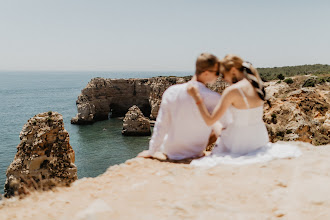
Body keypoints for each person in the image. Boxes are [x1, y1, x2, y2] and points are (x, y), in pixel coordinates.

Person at [187, 54, 301, 165]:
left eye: (223, 74)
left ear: (232, 71)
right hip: (259, 139)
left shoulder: (232, 91)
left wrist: (197, 98)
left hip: (239, 142)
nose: (224, 79)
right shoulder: (257, 86)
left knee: (216, 123)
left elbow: (209, 121)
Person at [138, 53, 231, 160]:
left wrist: (151, 151)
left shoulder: (171, 92)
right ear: (206, 73)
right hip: (196, 152)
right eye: (217, 73)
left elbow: (161, 125)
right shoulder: (214, 98)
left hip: (169, 151)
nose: (218, 76)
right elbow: (226, 128)